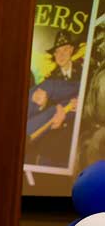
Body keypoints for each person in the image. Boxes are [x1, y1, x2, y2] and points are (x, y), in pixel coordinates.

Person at [28, 29, 83, 167]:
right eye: (57, 51)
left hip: (74, 144)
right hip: (52, 144)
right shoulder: (50, 79)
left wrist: (82, 104)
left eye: (64, 50)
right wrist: (46, 104)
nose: (61, 55)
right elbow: (45, 112)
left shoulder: (85, 72)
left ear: (71, 50)